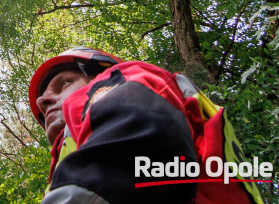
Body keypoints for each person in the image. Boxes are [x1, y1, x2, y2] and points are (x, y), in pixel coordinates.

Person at [29, 47, 266, 204]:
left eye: (65, 82)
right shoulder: (70, 155)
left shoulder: (122, 80)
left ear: (103, 73)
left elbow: (134, 160)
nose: (43, 101)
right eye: (41, 105)